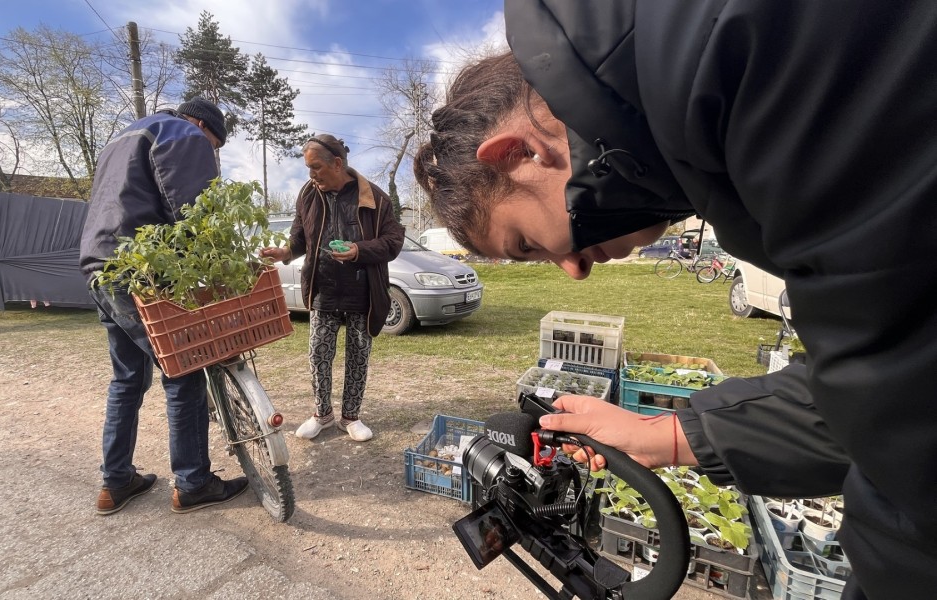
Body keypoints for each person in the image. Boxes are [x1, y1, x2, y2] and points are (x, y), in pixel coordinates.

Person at [413, 1, 937, 597]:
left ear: (519, 154)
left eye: (528, 244)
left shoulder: (728, 63)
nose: (572, 270)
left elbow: (906, 419)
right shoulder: (692, 85)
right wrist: (660, 436)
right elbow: (877, 384)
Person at [80, 97, 248, 515]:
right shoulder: (183, 134)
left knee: (126, 379)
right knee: (183, 368)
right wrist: (217, 268)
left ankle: (116, 482)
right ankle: (192, 483)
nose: (211, 154)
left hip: (100, 266)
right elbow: (191, 213)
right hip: (144, 270)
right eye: (215, 146)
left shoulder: (122, 137)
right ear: (202, 126)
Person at [260, 134, 404, 442]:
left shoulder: (375, 198)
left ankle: (350, 417)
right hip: (322, 288)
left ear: (337, 164)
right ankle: (322, 415)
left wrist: (357, 251)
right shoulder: (308, 194)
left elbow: (393, 243)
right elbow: (300, 240)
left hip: (361, 291)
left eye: (316, 167)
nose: (311, 174)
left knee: (358, 355)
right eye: (308, 168)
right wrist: (285, 253)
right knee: (318, 354)